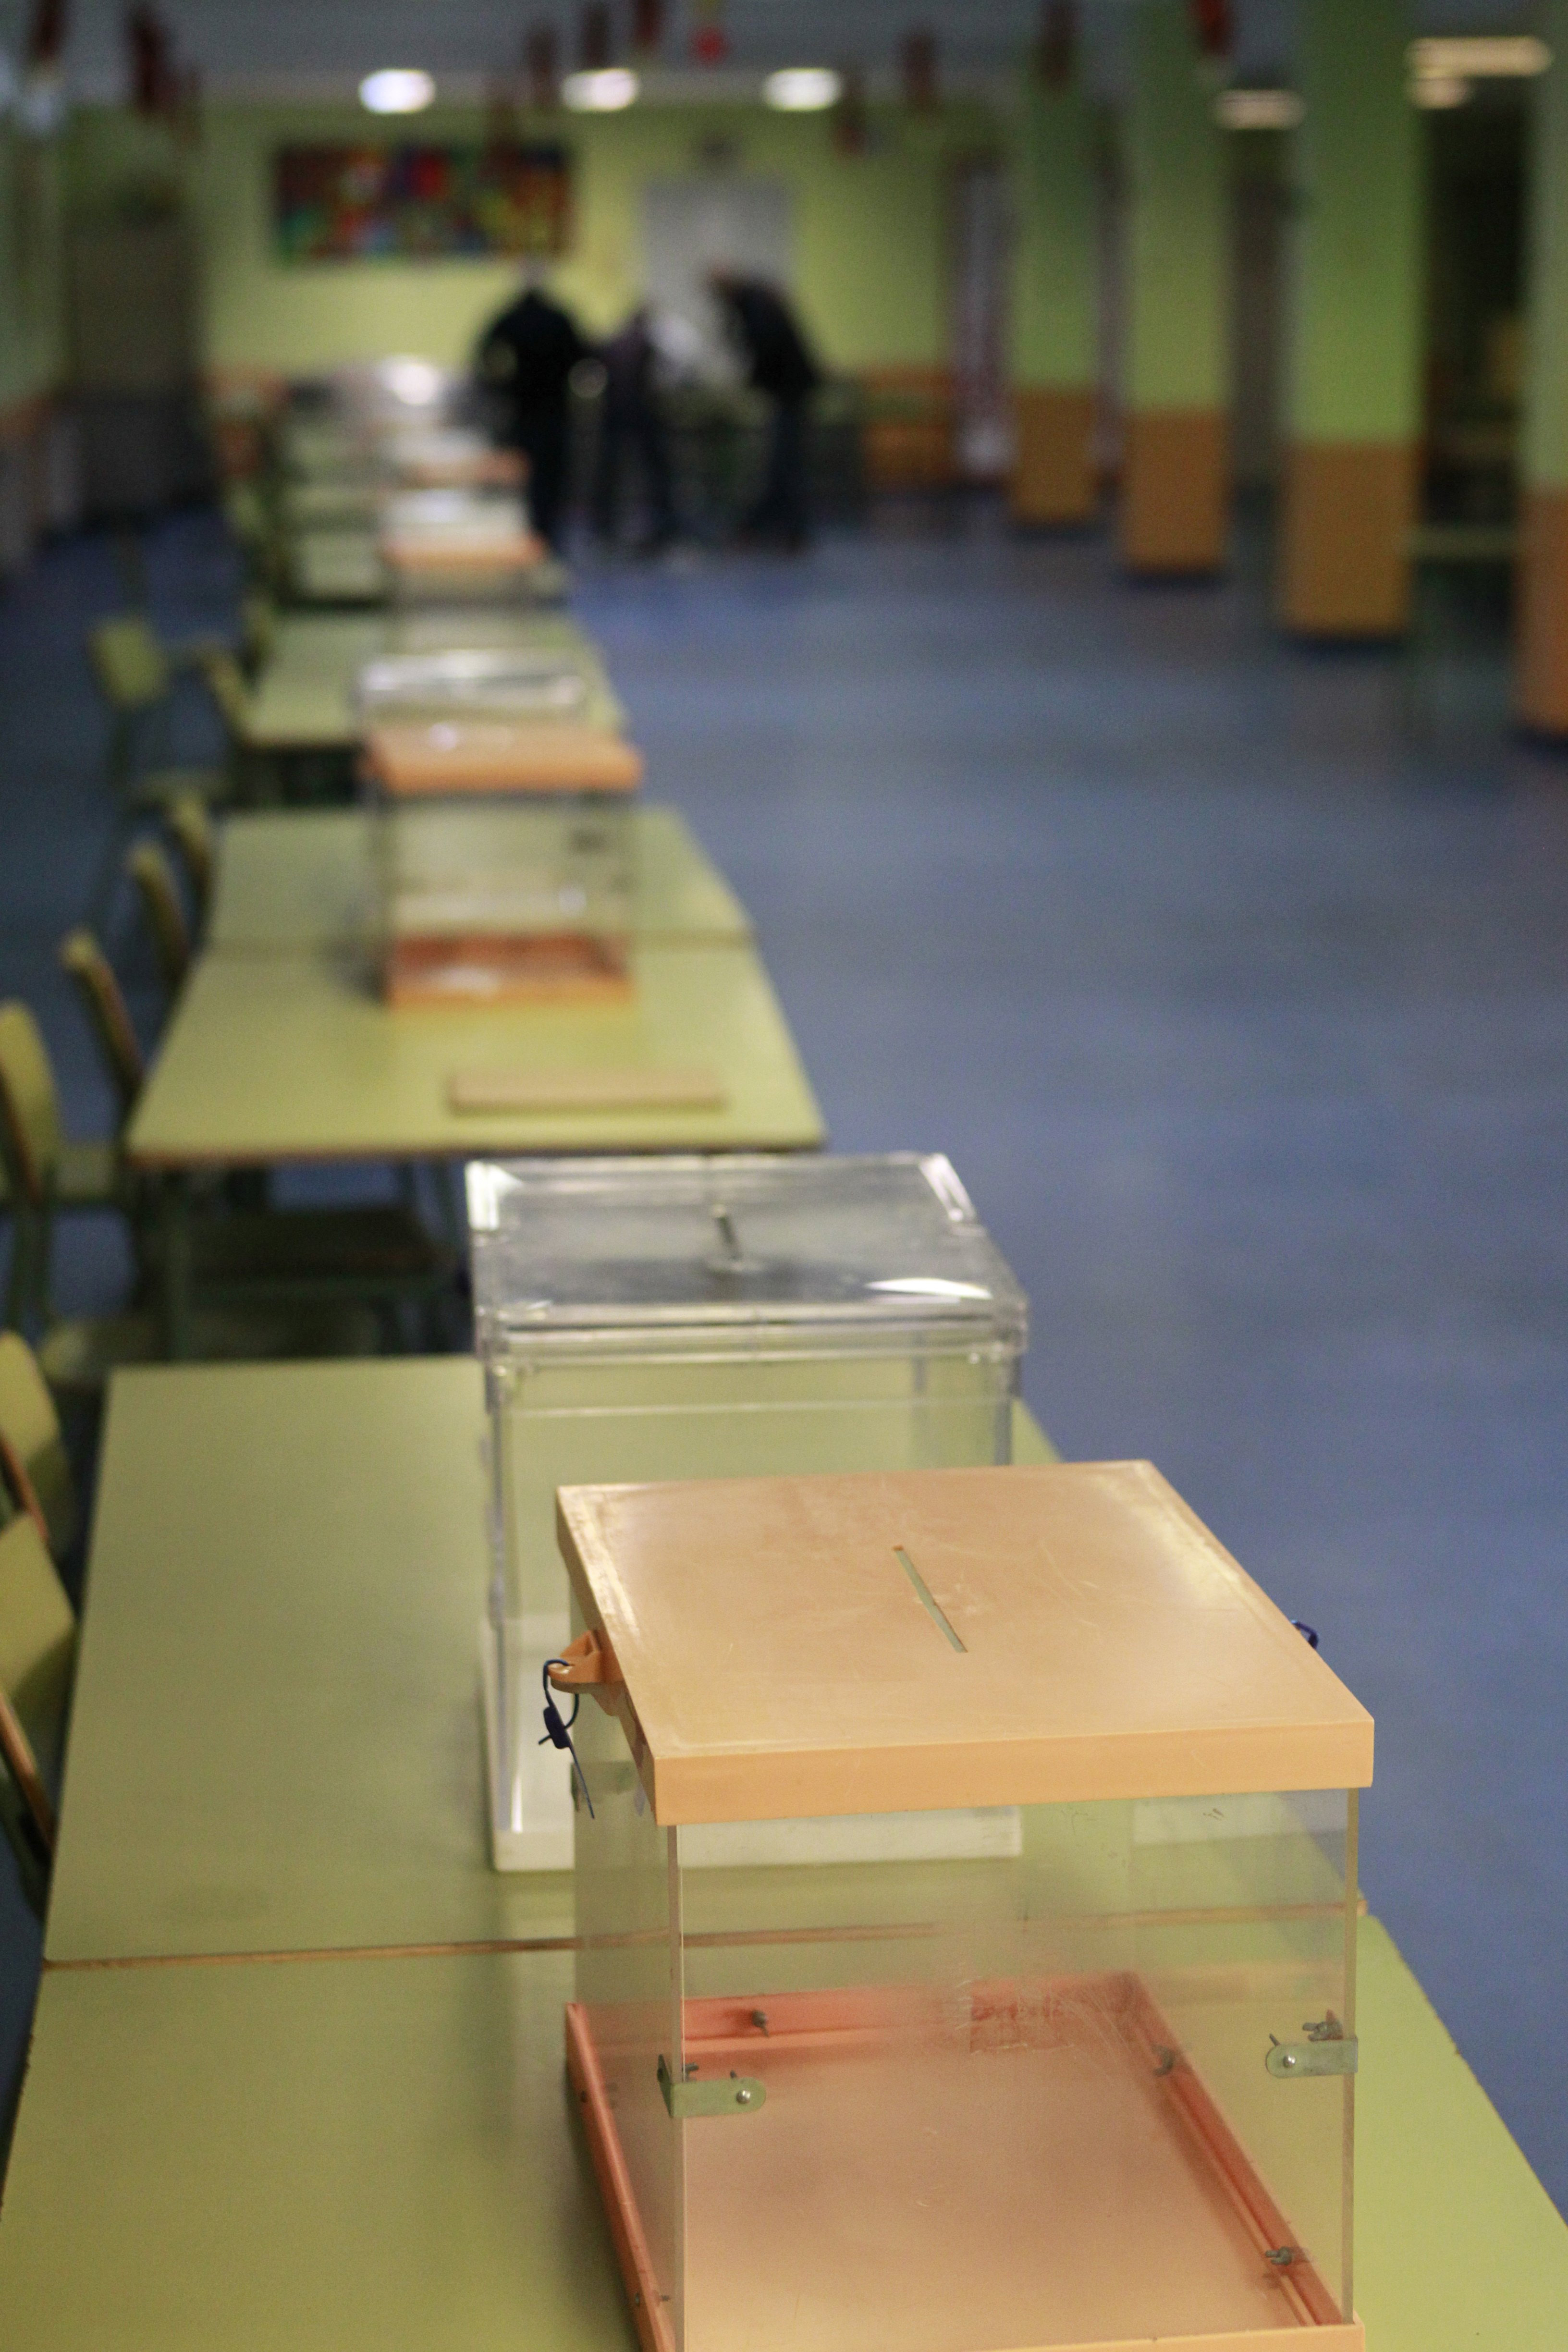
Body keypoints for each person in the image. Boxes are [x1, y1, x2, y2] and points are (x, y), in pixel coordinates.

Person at [708, 270, 822, 551]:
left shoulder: (754, 306)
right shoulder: (758, 301)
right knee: (781, 461)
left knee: (785, 463)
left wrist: (749, 381)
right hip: (789, 390)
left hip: (790, 391)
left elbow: (764, 348)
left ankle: (790, 531)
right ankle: (780, 529)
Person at [476, 273, 588, 551]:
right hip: (557, 410)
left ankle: (531, 535)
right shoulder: (560, 318)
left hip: (523, 410)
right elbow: (585, 355)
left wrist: (502, 387)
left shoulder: (512, 318)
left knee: (526, 477)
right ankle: (549, 536)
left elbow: (484, 352)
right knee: (554, 476)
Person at [592, 306, 677, 555]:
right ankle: (661, 524)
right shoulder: (647, 344)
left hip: (615, 414)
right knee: (654, 471)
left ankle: (605, 525)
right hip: (642, 414)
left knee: (610, 472)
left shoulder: (614, 343)